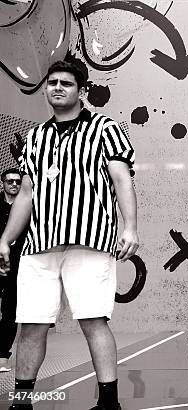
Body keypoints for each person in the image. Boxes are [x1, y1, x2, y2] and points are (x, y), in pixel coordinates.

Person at [0, 60, 139, 410]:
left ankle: (109, 403)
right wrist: (5, 239)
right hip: (39, 245)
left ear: (81, 90)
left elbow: (122, 179)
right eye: (52, 83)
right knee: (30, 325)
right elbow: (27, 193)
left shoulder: (105, 128)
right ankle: (22, 402)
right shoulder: (35, 137)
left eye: (66, 83)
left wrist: (130, 226)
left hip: (89, 242)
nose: (57, 88)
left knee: (93, 321)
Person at [0, 168, 27, 372]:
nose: (14, 185)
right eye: (10, 181)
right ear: (3, 183)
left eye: (18, 181)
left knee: (10, 312)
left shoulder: (28, 207)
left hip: (18, 266)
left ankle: (2, 356)